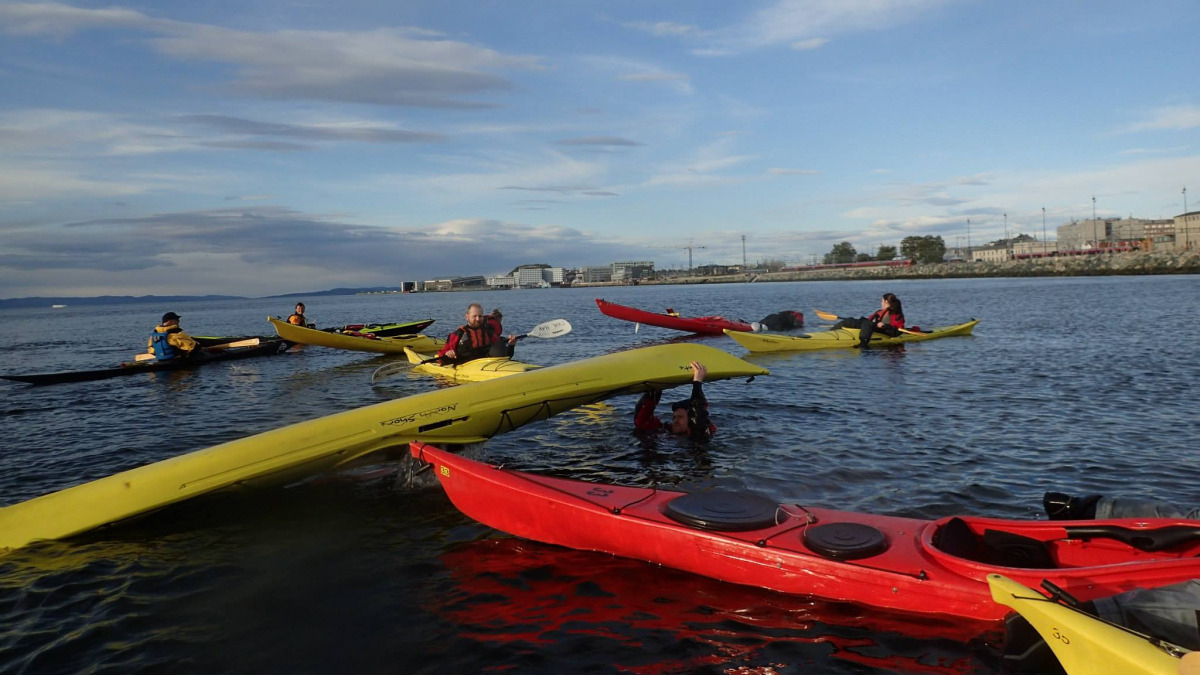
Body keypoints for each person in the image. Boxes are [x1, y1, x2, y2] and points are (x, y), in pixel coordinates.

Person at [633, 361, 715, 441]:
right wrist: (655, 389)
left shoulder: (700, 434)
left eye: (680, 417)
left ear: (690, 419)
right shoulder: (666, 431)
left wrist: (697, 382)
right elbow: (641, 423)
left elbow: (698, 419)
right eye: (674, 417)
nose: (675, 421)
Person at [436, 303, 517, 362]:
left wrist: (511, 345)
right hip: (464, 365)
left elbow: (506, 356)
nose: (478, 319)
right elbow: (441, 358)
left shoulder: (488, 333)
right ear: (467, 317)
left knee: (499, 344)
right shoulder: (458, 334)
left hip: (485, 365)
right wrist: (448, 353)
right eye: (474, 316)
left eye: (480, 316)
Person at [834, 293, 905, 348]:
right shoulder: (879, 312)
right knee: (850, 320)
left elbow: (896, 331)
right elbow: (868, 321)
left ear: (886, 301)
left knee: (867, 323)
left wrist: (885, 325)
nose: (881, 303)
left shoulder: (896, 314)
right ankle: (831, 331)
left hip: (885, 331)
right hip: (873, 327)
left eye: (882, 301)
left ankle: (863, 342)